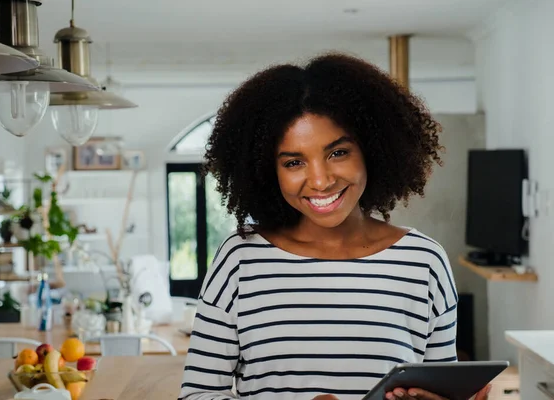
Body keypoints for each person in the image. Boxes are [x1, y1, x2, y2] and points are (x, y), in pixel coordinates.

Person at [178, 53, 490, 400]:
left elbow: (438, 390)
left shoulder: (424, 262)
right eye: (294, 162)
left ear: (371, 149)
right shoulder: (240, 260)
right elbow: (197, 395)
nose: (320, 180)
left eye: (338, 153)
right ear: (269, 171)